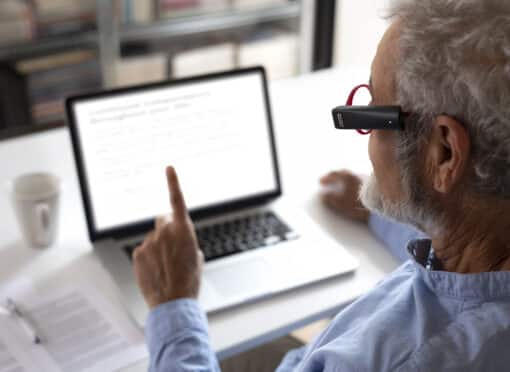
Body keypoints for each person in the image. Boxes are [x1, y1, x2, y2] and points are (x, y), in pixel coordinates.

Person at [132, 0, 510, 370]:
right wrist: (379, 213)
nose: (366, 136)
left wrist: (174, 304)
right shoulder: (479, 252)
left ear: (444, 153)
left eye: (374, 111)